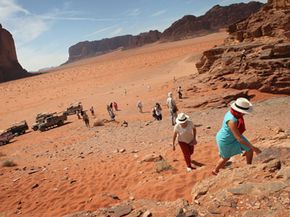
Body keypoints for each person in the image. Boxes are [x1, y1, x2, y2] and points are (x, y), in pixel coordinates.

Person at [212, 98, 262, 175]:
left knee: (249, 150)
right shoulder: (232, 120)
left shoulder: (233, 113)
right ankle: (215, 170)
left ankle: (248, 166)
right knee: (226, 158)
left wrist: (252, 148)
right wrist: (255, 148)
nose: (244, 114)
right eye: (244, 112)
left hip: (234, 135)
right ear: (239, 111)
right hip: (225, 139)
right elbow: (239, 139)